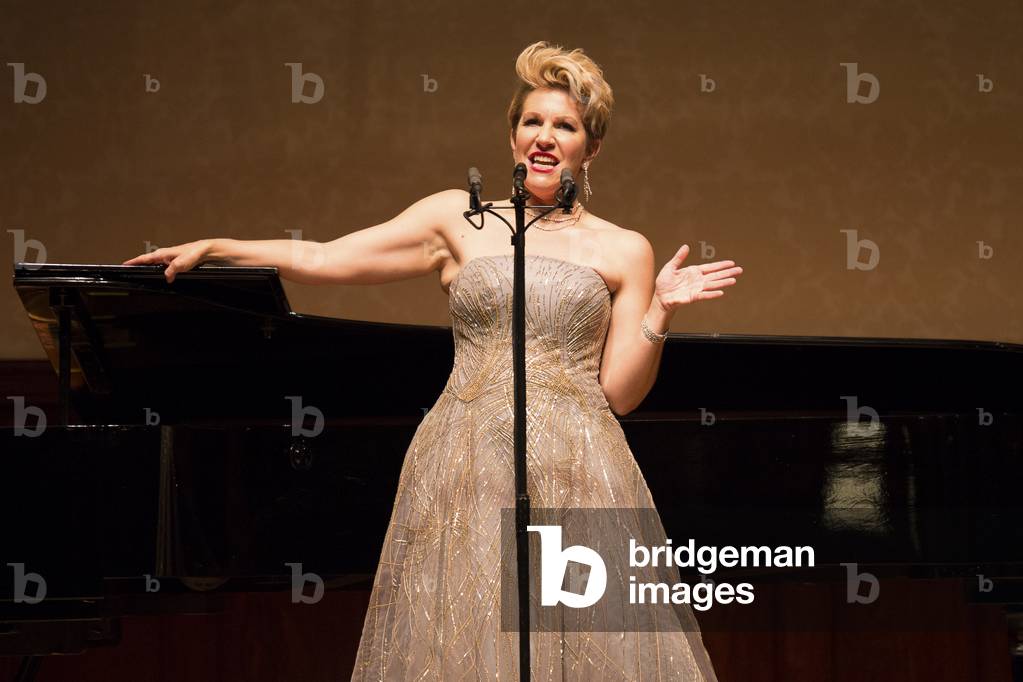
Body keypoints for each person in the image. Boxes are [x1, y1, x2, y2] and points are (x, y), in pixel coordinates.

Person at [124, 40, 741, 681]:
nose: (545, 137)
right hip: (466, 460)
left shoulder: (625, 248)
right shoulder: (458, 218)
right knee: (467, 645)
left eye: (566, 126)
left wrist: (659, 312)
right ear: (512, 137)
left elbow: (618, 393)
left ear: (591, 149)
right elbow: (329, 258)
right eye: (533, 121)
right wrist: (218, 246)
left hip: (577, 464)